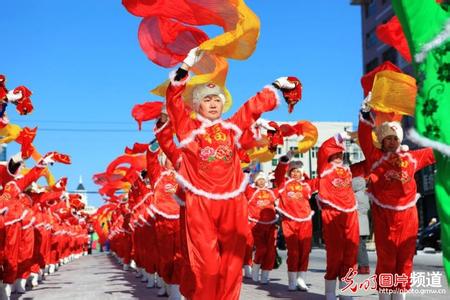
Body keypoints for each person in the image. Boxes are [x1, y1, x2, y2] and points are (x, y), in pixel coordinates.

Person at [165, 47, 296, 299]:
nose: (213, 104)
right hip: (200, 204)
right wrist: (186, 66)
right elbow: (173, 101)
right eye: (207, 99)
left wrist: (276, 86)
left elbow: (251, 108)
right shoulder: (187, 128)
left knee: (233, 263)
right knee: (207, 266)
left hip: (232, 203)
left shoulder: (231, 128)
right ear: (197, 104)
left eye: (217, 100)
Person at [359, 97, 435, 300]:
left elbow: (435, 151)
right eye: (388, 138)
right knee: (387, 257)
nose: (392, 142)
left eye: (395, 138)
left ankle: (399, 296)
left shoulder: (412, 158)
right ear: (382, 141)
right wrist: (365, 115)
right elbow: (365, 137)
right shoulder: (375, 158)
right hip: (384, 215)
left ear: (400, 140)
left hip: (408, 215)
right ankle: (385, 296)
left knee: (405, 258)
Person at [316, 133, 359, 300]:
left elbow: (368, 165)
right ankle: (330, 291)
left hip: (350, 212)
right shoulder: (324, 168)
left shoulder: (348, 170)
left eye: (340, 153)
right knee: (335, 253)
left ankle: (346, 290)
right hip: (331, 213)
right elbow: (324, 149)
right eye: (335, 153)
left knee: (350, 251)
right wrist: (341, 135)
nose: (338, 156)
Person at [274, 153, 317, 291]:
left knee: (304, 251)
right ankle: (292, 280)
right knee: (293, 252)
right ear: (290, 172)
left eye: (299, 171)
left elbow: (323, 179)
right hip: (289, 221)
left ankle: (301, 279)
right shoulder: (283, 184)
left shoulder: (307, 185)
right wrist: (286, 160)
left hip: (305, 220)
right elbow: (279, 173)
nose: (297, 173)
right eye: (294, 171)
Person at [244, 171, 278, 284]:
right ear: (255, 181)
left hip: (271, 225)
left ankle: (265, 275)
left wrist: (283, 164)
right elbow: (243, 184)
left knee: (271, 251)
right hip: (256, 225)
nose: (262, 182)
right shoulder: (251, 192)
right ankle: (255, 268)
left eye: (263, 179)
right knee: (261, 248)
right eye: (259, 179)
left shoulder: (272, 192)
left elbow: (282, 184)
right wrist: (246, 173)